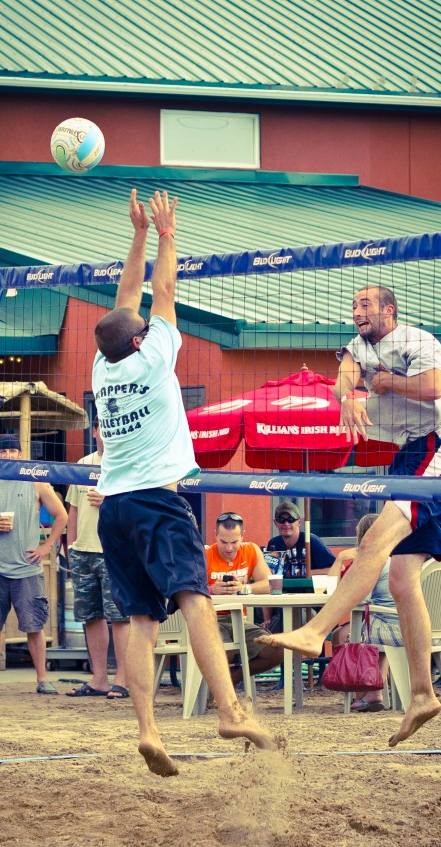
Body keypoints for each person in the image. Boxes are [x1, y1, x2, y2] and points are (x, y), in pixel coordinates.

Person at [92, 188, 276, 777]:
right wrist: (166, 234)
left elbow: (126, 303)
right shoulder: (152, 357)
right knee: (197, 601)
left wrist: (138, 236)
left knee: (141, 623)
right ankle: (230, 710)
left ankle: (148, 731)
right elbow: (161, 293)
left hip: (114, 509)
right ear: (140, 340)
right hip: (156, 501)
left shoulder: (104, 363)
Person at [257, 284, 441, 746]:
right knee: (399, 578)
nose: (357, 311)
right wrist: (349, 394)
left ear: (389, 310)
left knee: (372, 544)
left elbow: (435, 387)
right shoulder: (357, 347)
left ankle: (316, 631)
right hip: (406, 457)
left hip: (439, 447)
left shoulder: (416, 341)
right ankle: (421, 693)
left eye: (366, 304)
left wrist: (386, 383)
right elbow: (344, 376)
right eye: (353, 304)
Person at [0, 435, 68, 695]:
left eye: (13, 450)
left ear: (21, 454)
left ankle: (42, 679)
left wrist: (48, 547)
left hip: (27, 567)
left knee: (34, 626)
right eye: (4, 451)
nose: (9, 455)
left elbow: (62, 516)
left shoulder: (36, 481)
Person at [64, 421, 130, 699]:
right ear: (94, 433)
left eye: (111, 429)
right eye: (102, 429)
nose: (107, 434)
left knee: (120, 618)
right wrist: (71, 546)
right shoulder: (83, 464)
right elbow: (73, 510)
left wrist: (109, 500)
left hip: (115, 552)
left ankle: (123, 681)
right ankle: (99, 678)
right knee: (91, 616)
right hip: (84, 552)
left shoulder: (128, 465)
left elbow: (136, 510)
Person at [329, 513, 403, 712]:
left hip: (388, 628)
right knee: (351, 632)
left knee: (345, 635)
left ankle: (369, 693)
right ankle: (371, 692)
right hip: (407, 625)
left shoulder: (374, 562)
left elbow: (360, 599)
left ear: (362, 537)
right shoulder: (395, 559)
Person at [205, 512, 283, 685]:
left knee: (276, 651)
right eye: (223, 542)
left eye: (234, 542)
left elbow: (271, 585)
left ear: (242, 536)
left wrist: (244, 588)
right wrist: (212, 589)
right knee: (225, 651)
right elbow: (189, 589)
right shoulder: (205, 553)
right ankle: (218, 691)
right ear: (215, 535)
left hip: (239, 619)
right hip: (211, 618)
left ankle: (233, 679)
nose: (229, 548)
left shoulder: (250, 550)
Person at [265, 500, 336, 577]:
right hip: (283, 589)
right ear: (275, 523)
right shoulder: (273, 543)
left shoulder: (310, 541)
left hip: (308, 588)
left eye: (291, 519)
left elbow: (338, 568)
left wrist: (305, 573)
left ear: (299, 522)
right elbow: (269, 573)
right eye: (281, 520)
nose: (286, 523)